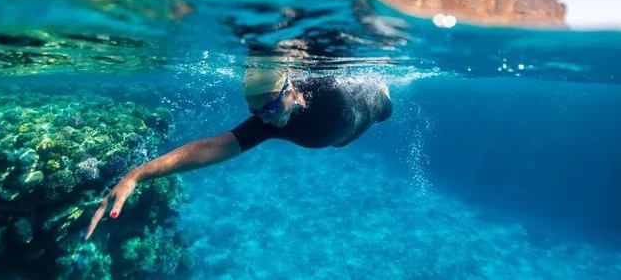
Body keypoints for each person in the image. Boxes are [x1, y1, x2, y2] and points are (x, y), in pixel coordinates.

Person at [84, 68, 392, 240]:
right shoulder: (269, 123)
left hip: (369, 109)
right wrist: (137, 175)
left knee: (386, 111)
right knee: (336, 141)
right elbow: (213, 146)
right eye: (256, 111)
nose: (266, 118)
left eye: (270, 108)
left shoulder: (326, 86)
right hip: (339, 139)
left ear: (290, 90)